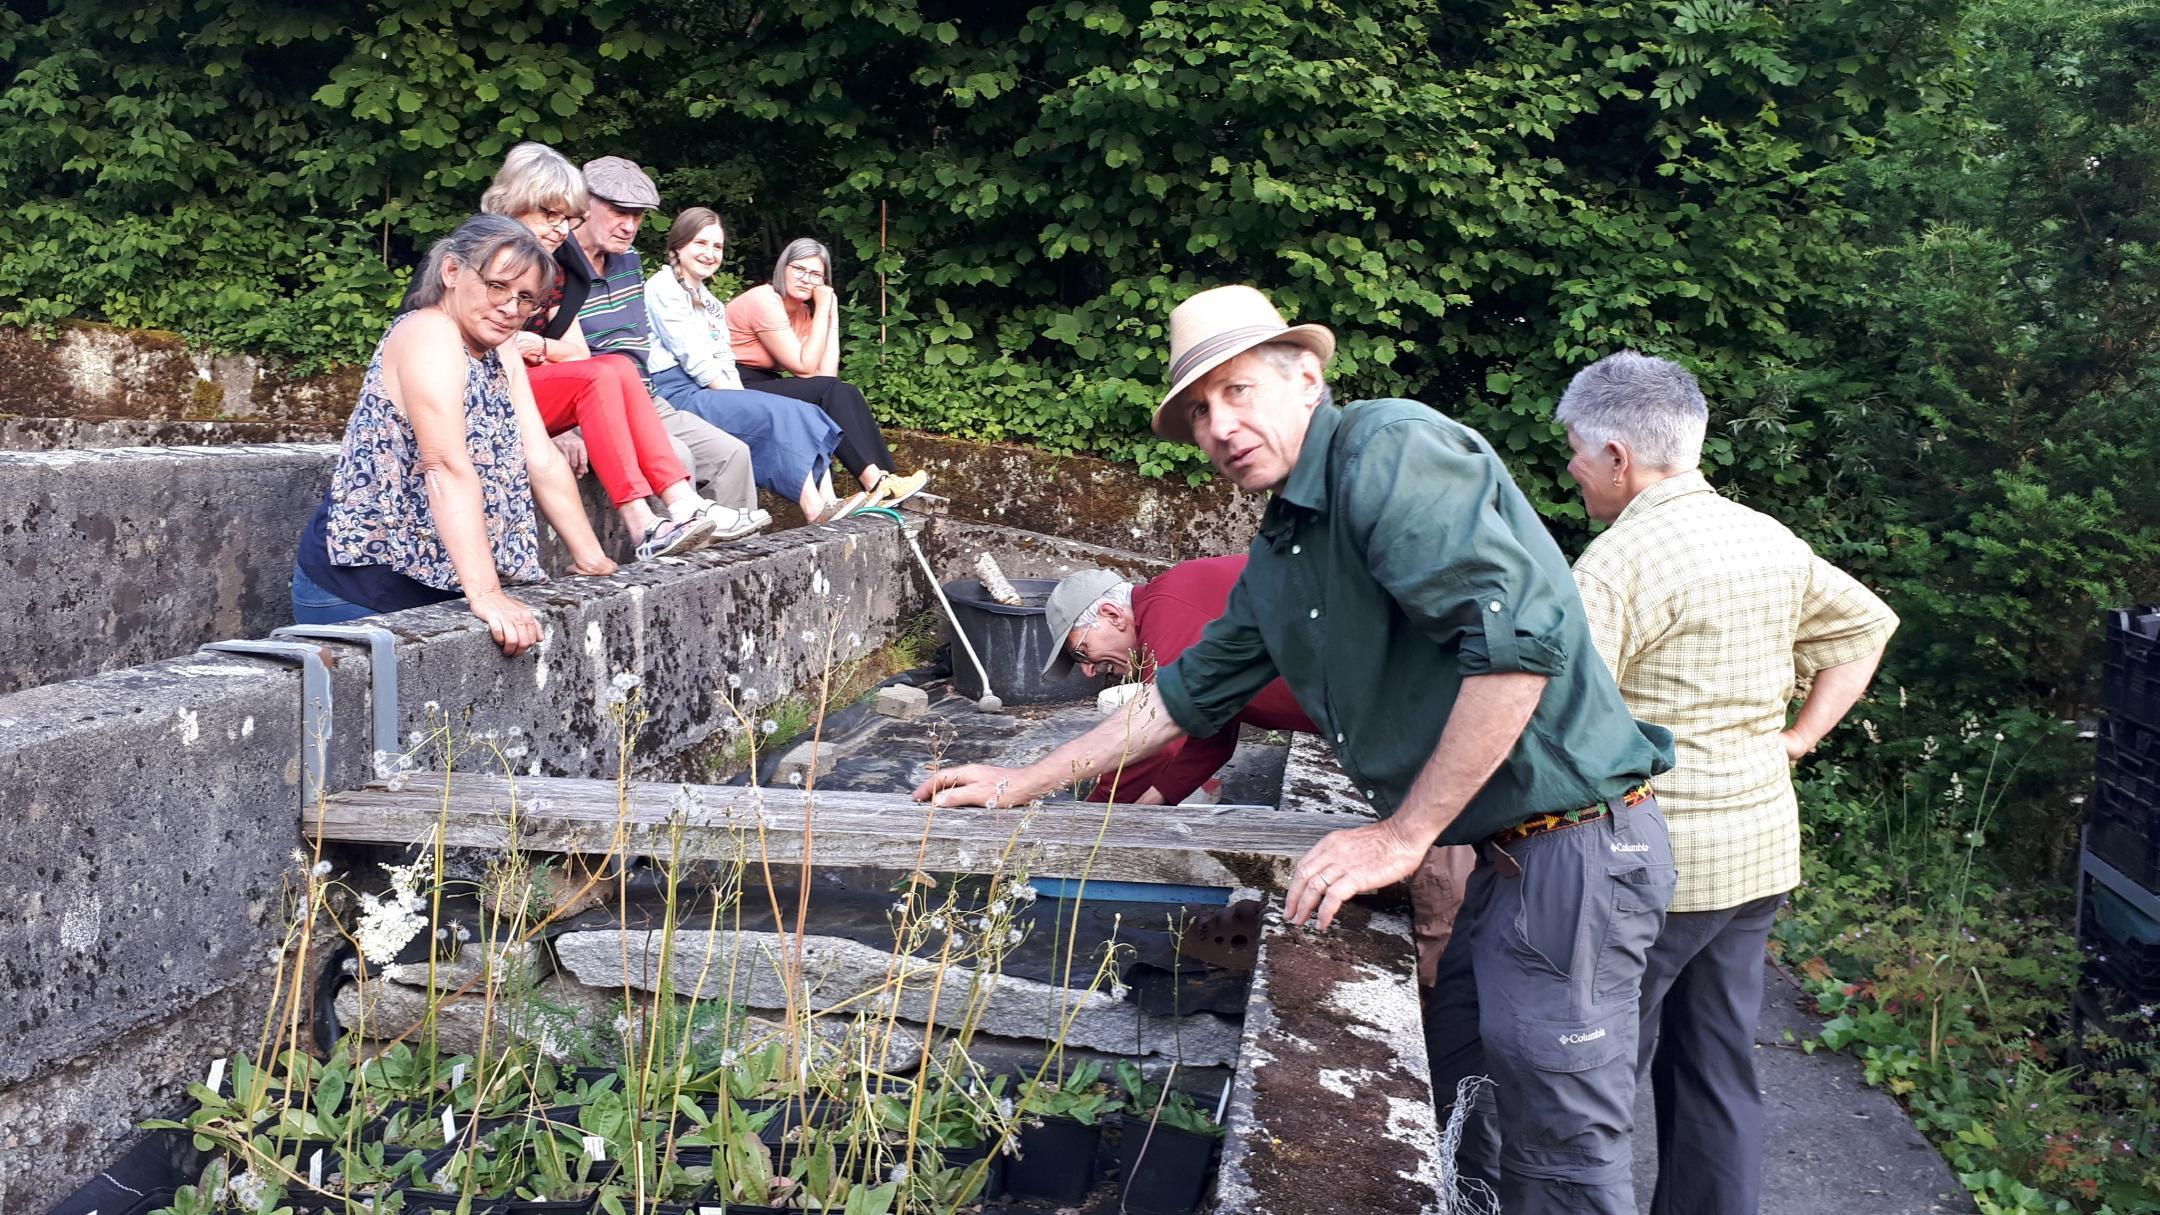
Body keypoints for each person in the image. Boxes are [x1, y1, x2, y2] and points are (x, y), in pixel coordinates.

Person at [917, 285, 1676, 1212]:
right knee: (1469, 1110)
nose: (1219, 425)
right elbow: (1177, 704)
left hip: (1577, 850)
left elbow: (1518, 648)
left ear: (1307, 377)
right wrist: (1017, 782)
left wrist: (1402, 835)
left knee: (1562, 1149)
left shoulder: (1389, 452)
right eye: (1198, 411)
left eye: (1237, 392)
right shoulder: (1283, 549)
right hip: (1509, 862)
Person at [1556, 351, 1899, 1214]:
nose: (1570, 469)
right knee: (1717, 1065)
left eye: (1574, 450)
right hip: (1756, 853)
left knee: (1591, 1078)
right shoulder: (1766, 536)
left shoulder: (1616, 562)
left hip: (1653, 864)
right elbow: (1866, 627)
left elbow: (1558, 718)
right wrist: (1798, 738)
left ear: (1617, 455)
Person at [1046, 559, 1480, 986]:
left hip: (1422, 716)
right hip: (1398, 720)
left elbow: (1158, 735)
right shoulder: (1182, 601)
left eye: (1082, 652)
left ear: (1112, 614)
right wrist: (1139, 812)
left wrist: (1088, 825)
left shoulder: (1169, 611)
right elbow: (1207, 738)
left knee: (1441, 879)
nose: (1088, 670)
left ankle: (1442, 1000)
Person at [290, 214, 617, 655]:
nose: (510, 308)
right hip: (364, 591)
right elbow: (443, 464)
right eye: (497, 286)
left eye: (525, 298)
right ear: (451, 272)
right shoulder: (429, 332)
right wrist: (486, 595)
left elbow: (540, 457)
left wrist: (591, 559)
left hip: (439, 586)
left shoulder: (500, 345)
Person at [474, 143, 733, 559]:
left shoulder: (557, 267)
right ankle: (641, 524)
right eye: (548, 214)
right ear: (513, 203)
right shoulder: (484, 253)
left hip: (521, 388)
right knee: (602, 374)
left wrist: (536, 347)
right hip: (471, 396)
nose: (560, 229)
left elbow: (575, 352)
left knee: (616, 365)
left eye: (565, 218)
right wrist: (549, 432)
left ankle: (682, 503)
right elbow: (486, 352)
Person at [571, 156, 771, 537]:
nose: (629, 225)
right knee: (678, 457)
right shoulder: (553, 262)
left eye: (638, 215)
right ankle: (664, 570)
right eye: (618, 211)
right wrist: (557, 433)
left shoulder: (628, 260)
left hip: (646, 398)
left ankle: (734, 572)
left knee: (732, 454)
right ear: (583, 204)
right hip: (592, 406)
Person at [644, 208, 858, 524]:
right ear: (678, 245)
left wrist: (742, 397)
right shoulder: (664, 286)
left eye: (716, 247)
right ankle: (814, 507)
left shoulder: (712, 303)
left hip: (708, 388)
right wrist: (741, 400)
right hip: (675, 393)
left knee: (804, 410)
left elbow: (724, 360)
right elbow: (697, 361)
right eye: (700, 243)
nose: (709, 253)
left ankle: (829, 501)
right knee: (776, 412)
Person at [724, 237, 927, 510]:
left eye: (816, 274)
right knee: (833, 391)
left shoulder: (804, 314)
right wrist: (821, 312)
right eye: (799, 269)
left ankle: (884, 479)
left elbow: (825, 376)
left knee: (845, 391)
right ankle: (876, 482)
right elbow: (804, 367)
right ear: (783, 268)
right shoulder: (764, 300)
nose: (806, 278)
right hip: (733, 385)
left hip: (766, 384)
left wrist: (830, 314)